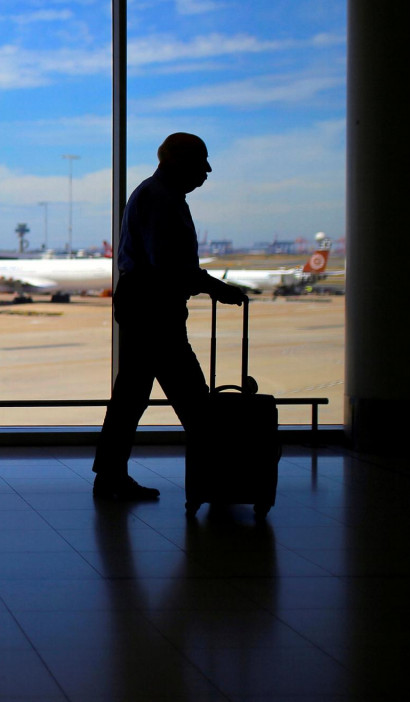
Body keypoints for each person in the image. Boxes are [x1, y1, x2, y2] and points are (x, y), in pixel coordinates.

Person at [92, 132, 247, 501]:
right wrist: (215, 286)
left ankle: (110, 475)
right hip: (153, 308)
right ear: (178, 160)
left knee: (131, 396)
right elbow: (169, 266)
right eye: (201, 161)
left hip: (144, 304)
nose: (207, 171)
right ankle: (219, 480)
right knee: (191, 398)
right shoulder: (161, 200)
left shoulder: (158, 194)